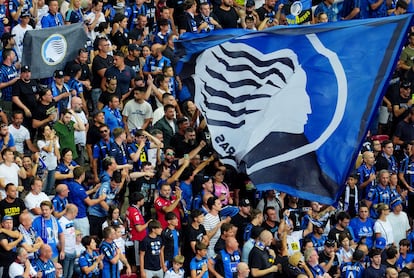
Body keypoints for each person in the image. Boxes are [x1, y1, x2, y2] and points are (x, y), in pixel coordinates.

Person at [68, 167, 106, 236]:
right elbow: (90, 202)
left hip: (72, 217)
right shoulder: (79, 188)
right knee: (84, 237)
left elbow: (81, 194)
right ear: (82, 175)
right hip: (81, 217)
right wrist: (101, 199)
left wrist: (93, 190)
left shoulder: (70, 185)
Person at [58, 204, 78, 278]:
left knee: (70, 274)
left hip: (72, 250)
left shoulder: (71, 221)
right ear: (72, 212)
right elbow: (59, 237)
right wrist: (62, 250)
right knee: (64, 274)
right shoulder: (61, 222)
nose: (76, 215)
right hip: (66, 252)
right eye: (76, 213)